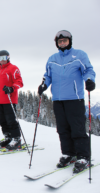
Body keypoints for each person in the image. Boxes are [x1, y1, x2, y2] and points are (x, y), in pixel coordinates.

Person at [38, 30, 96, 173]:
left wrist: (89, 80)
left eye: (64, 41)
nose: (62, 43)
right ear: (57, 44)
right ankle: (69, 153)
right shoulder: (52, 58)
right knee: (62, 129)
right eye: (60, 41)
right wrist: (44, 84)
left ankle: (83, 156)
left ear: (70, 41)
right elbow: (48, 75)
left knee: (77, 128)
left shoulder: (79, 55)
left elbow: (88, 70)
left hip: (74, 98)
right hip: (58, 99)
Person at [0, 50, 24, 149]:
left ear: (8, 58)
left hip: (9, 99)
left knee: (11, 120)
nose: (2, 60)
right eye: (0, 58)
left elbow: (19, 82)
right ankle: (8, 136)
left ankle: (16, 138)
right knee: (2, 120)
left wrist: (11, 88)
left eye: (4, 58)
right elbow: (0, 84)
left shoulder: (13, 68)